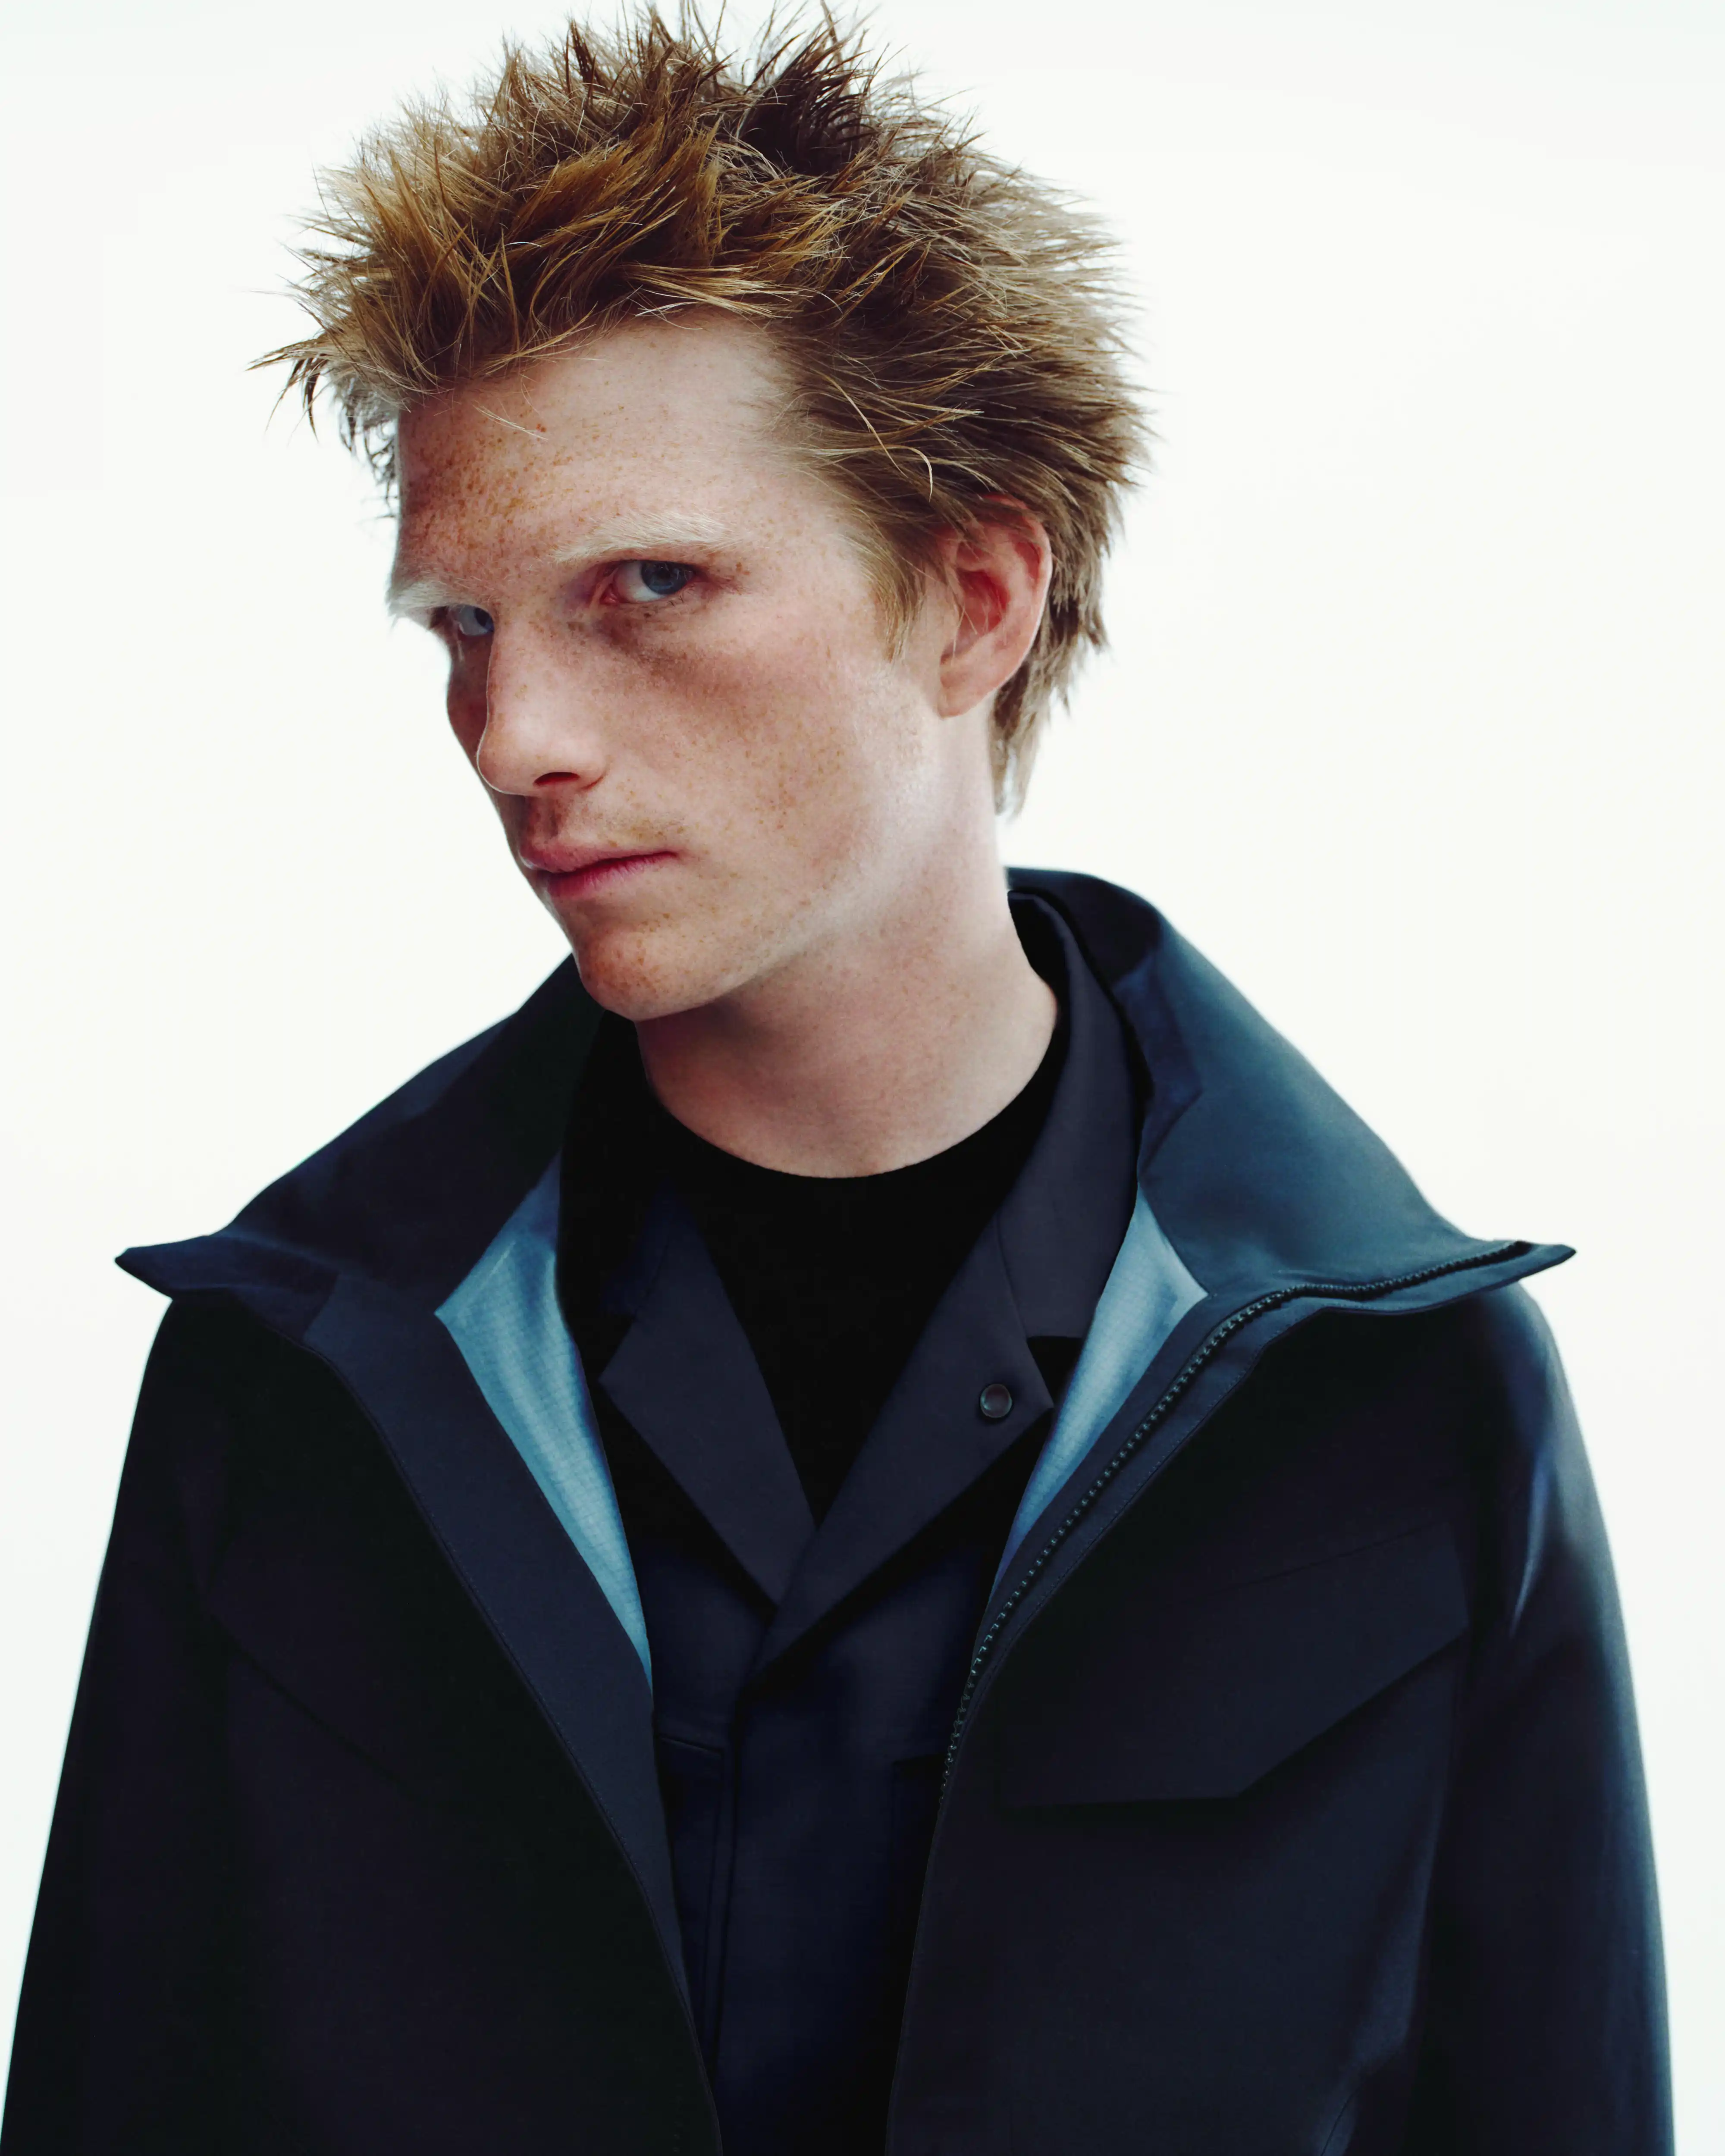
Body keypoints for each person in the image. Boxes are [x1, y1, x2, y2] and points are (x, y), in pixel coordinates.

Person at [0, 16, 1670, 2155]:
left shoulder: (1406, 1395)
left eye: (650, 587)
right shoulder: (293, 1379)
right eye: (464, 627)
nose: (516, 736)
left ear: (973, 597)